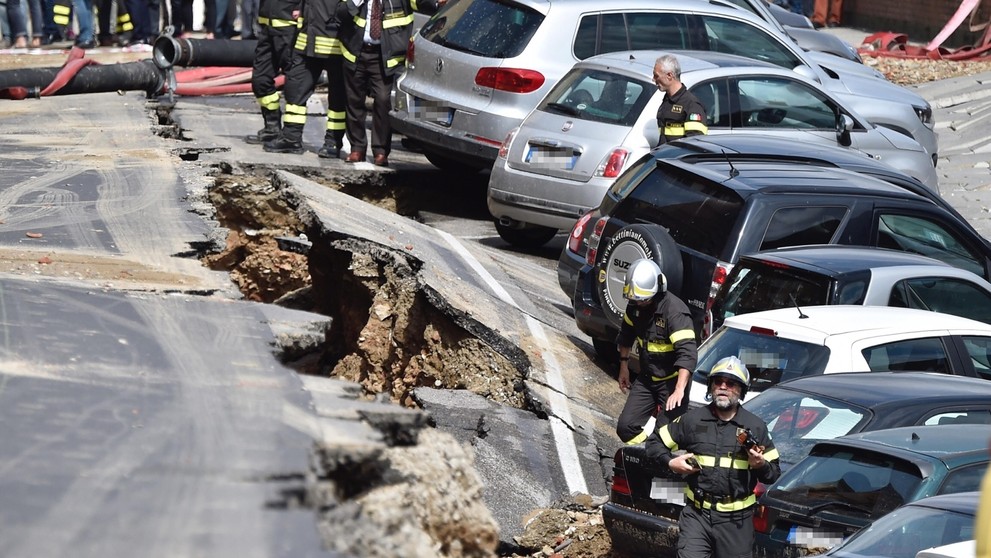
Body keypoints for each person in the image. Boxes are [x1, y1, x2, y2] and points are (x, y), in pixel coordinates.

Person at [645, 355, 780, 558]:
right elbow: (654, 443)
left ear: (741, 390)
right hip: (697, 516)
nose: (723, 387)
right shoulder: (692, 420)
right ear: (711, 386)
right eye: (718, 381)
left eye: (731, 383)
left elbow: (773, 474)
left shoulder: (756, 426)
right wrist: (671, 462)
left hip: (737, 522)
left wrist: (760, 465)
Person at [338, 0, 444, 166]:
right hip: (356, 52)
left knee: (383, 100)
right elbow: (340, 13)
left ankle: (380, 151)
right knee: (354, 102)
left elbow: (421, 3)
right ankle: (357, 148)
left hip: (383, 57)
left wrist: (438, 4)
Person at [615, 258, 697, 445]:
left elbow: (687, 355)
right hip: (647, 378)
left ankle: (657, 452)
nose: (639, 303)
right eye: (636, 300)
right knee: (625, 427)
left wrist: (679, 390)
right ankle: (644, 450)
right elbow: (626, 336)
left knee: (665, 437)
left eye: (643, 299)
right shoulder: (635, 305)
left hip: (672, 382)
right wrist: (624, 367)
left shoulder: (675, 313)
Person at [262, 0, 347, 157]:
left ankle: (333, 142)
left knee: (338, 98)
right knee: (295, 87)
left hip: (336, 43)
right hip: (306, 40)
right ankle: (291, 137)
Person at [242, 0, 299, 146]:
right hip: (267, 25)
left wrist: (301, 8)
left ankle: (291, 136)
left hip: (290, 27)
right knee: (260, 79)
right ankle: (272, 128)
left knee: (294, 84)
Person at [652, 54, 708, 145]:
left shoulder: (692, 105)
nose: (653, 79)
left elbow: (695, 143)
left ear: (669, 75)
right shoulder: (667, 100)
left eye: (656, 76)